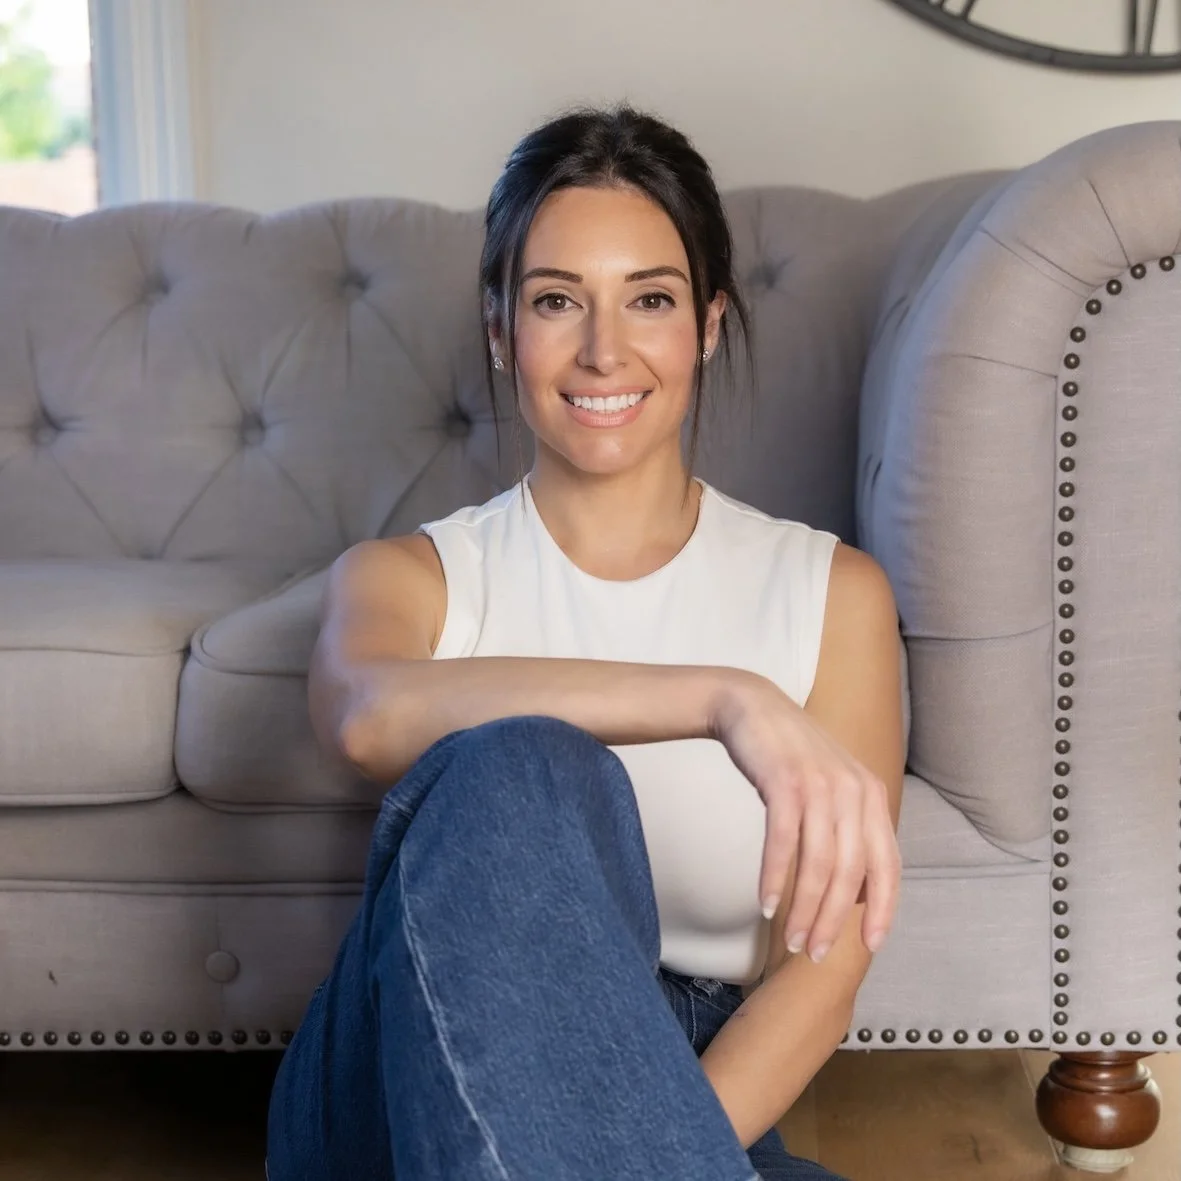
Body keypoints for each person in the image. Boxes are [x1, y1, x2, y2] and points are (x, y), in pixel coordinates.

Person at [266, 104, 905, 1181]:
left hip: (687, 1081)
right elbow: (368, 716)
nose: (604, 350)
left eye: (648, 299)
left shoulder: (833, 595)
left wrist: (642, 1155)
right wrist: (722, 698)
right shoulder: (405, 577)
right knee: (521, 765)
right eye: (556, 300)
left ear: (706, 323)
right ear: (498, 330)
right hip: (403, 1072)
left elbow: (823, 969)